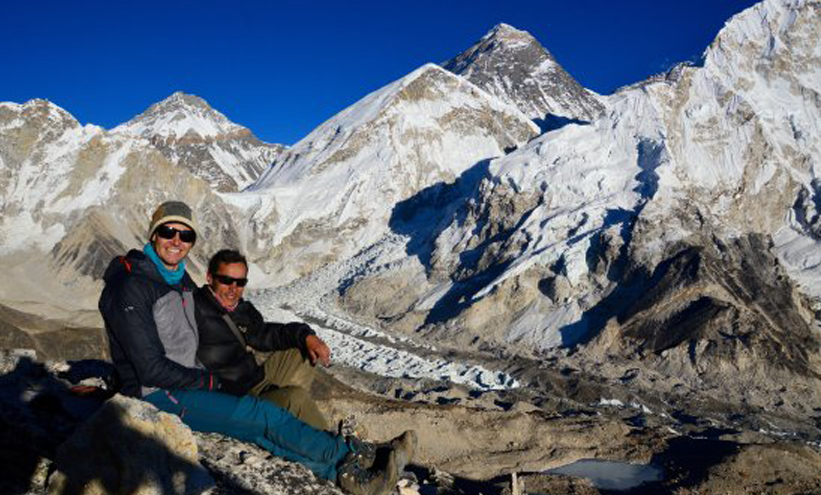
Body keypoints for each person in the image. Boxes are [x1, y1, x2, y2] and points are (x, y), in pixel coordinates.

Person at [98, 200, 415, 495]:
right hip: (157, 396)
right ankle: (356, 453)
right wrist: (210, 382)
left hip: (182, 387)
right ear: (154, 233)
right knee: (264, 416)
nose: (176, 240)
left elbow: (234, 324)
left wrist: (300, 333)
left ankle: (344, 475)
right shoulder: (131, 286)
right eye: (168, 231)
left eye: (186, 234)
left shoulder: (177, 281)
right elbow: (148, 368)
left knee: (258, 432)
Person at [194, 248, 331, 431]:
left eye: (240, 282)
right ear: (210, 278)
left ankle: (287, 420)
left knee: (302, 350)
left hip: (253, 384)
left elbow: (265, 335)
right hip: (233, 399)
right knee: (295, 397)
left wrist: (305, 335)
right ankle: (329, 444)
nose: (233, 288)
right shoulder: (194, 310)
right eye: (226, 280)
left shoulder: (241, 310)